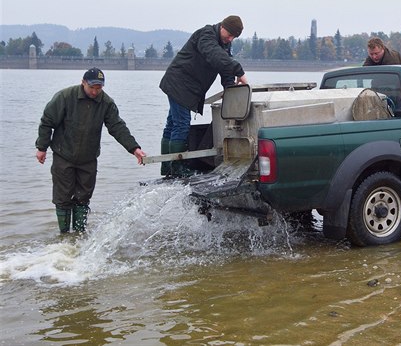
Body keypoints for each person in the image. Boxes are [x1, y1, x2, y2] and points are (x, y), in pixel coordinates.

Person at [36, 68, 146, 233]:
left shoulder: (106, 103)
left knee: (83, 198)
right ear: (83, 82)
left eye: (99, 88)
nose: (95, 91)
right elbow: (47, 122)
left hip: (88, 158)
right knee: (63, 198)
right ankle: (65, 236)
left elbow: (117, 127)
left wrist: (134, 148)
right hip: (63, 154)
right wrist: (42, 147)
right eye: (92, 87)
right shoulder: (65, 97)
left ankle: (79, 234)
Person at [159, 15, 248, 177]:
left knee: (172, 124)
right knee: (181, 124)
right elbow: (215, 56)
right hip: (179, 83)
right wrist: (239, 70)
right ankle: (177, 169)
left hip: (186, 87)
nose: (230, 39)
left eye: (233, 37)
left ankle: (167, 168)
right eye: (229, 35)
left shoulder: (224, 43)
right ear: (222, 26)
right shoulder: (206, 35)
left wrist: (230, 88)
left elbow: (224, 65)